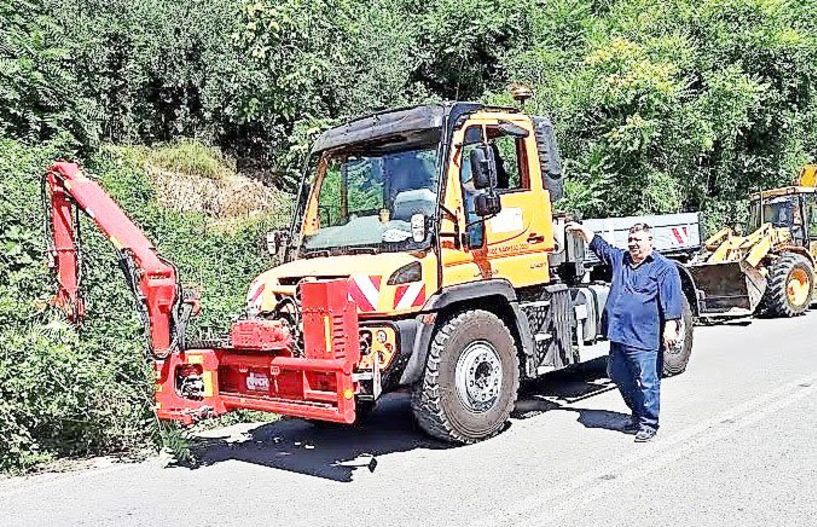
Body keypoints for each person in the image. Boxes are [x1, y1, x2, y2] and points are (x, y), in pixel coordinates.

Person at [566, 221, 683, 442]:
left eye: (638, 240)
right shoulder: (621, 260)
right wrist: (583, 232)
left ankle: (649, 423)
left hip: (644, 336)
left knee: (647, 380)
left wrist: (670, 327)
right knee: (617, 374)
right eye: (630, 240)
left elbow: (671, 301)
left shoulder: (664, 268)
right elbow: (602, 247)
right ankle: (638, 413)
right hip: (619, 334)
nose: (633, 244)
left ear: (650, 242)